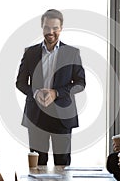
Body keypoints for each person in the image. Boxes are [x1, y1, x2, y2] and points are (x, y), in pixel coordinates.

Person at [16, 9, 86, 165]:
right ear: (42, 27)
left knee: (62, 165)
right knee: (37, 165)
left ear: (61, 28)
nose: (51, 32)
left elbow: (80, 84)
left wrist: (56, 93)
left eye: (55, 28)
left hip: (63, 117)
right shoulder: (30, 53)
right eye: (47, 27)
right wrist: (35, 93)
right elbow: (20, 83)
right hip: (36, 116)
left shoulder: (72, 53)